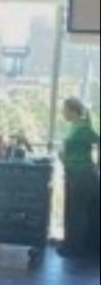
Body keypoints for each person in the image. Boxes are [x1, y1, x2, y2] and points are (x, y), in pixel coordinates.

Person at [58, 97, 100, 258]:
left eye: (64, 109)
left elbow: (98, 140)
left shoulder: (82, 127)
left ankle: (76, 249)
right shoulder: (74, 126)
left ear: (72, 110)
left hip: (83, 174)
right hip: (73, 173)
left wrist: (98, 163)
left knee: (78, 213)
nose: (62, 112)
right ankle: (72, 246)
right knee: (73, 212)